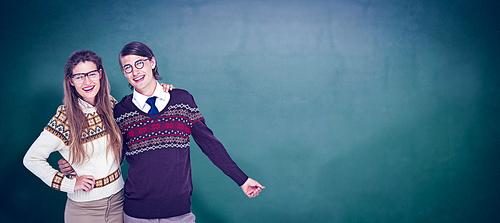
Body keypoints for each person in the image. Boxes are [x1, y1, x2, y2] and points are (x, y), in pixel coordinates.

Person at [115, 41, 265, 222]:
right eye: (128, 68)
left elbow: (209, 144)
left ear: (152, 62)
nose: (135, 71)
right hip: (136, 213)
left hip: (179, 212)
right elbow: (114, 157)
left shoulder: (182, 100)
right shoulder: (120, 111)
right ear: (124, 73)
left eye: (139, 63)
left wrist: (242, 179)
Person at [24, 50, 174, 223]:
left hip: (119, 201)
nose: (87, 82)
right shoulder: (64, 119)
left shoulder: (111, 105)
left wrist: (160, 92)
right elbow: (31, 159)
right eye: (79, 76)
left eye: (92, 74)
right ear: (71, 81)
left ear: (100, 74)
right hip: (83, 211)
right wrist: (70, 184)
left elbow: (132, 136)